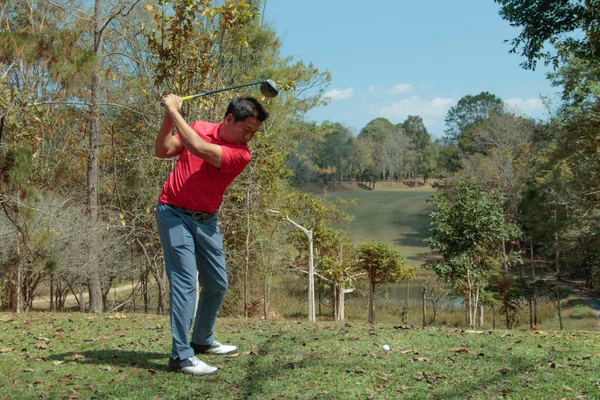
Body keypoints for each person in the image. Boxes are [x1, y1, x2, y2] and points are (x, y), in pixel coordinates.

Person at [155, 94, 269, 375]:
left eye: (254, 132)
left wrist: (173, 109)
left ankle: (201, 340)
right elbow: (163, 149)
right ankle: (181, 356)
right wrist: (169, 115)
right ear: (229, 119)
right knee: (185, 283)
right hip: (173, 214)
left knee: (217, 283)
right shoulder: (199, 126)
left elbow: (196, 147)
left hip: (206, 220)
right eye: (247, 129)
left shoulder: (241, 154)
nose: (250, 136)